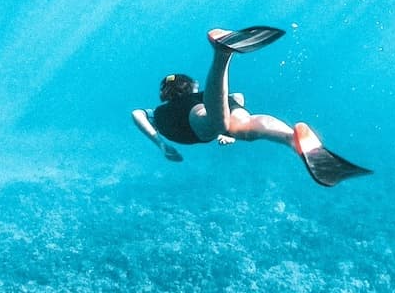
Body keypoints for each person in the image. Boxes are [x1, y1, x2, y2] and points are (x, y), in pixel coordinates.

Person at [131, 27, 371, 187]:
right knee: (245, 127)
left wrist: (160, 144)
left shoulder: (163, 110)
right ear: (190, 87)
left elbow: (137, 113)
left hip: (191, 120)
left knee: (218, 123)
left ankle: (222, 54)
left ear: (166, 93)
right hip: (218, 104)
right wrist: (230, 129)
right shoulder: (200, 96)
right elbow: (238, 96)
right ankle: (291, 138)